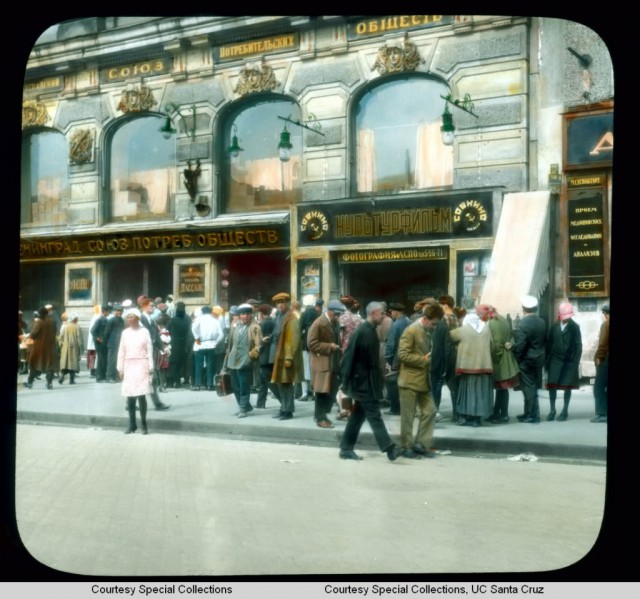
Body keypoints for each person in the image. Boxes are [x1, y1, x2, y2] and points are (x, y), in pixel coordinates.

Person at [338, 301, 402, 461]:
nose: (384, 316)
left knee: (357, 416)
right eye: (382, 313)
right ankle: (389, 449)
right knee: (374, 415)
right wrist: (345, 383)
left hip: (368, 382)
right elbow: (348, 359)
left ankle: (345, 449)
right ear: (374, 313)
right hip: (362, 384)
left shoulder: (370, 330)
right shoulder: (362, 332)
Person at [397, 301, 444, 458]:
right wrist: (423, 360)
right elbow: (402, 354)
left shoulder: (427, 330)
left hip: (423, 380)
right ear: (426, 318)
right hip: (409, 380)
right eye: (434, 323)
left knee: (430, 411)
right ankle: (406, 447)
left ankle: (421, 444)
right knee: (408, 416)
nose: (435, 326)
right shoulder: (411, 330)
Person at [450, 305, 495, 427]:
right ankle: (477, 419)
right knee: (481, 393)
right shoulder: (486, 328)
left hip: (467, 367)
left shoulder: (463, 330)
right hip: (484, 366)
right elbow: (492, 346)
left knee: (467, 394)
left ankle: (467, 417)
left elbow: (449, 337)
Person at [307, 299, 346, 428]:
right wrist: (329, 346)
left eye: (339, 314)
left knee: (333, 387)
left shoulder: (333, 321)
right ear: (329, 312)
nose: (338, 317)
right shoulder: (319, 323)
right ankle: (320, 418)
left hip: (332, 361)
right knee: (321, 391)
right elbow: (311, 344)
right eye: (336, 314)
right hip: (321, 362)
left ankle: (321, 415)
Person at [117, 308, 154, 435]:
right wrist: (120, 368)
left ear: (138, 318)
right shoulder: (125, 333)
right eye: (128, 317)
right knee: (130, 397)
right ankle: (132, 425)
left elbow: (149, 349)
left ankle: (144, 425)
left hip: (142, 365)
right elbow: (121, 351)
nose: (130, 320)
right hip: (129, 365)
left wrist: (150, 367)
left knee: (141, 396)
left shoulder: (144, 332)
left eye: (132, 317)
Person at [545, 302, 583, 421]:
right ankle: (552, 410)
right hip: (555, 361)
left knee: (567, 387)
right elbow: (548, 344)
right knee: (552, 386)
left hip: (569, 362)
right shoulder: (554, 326)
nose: (567, 319)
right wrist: (547, 362)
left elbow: (578, 346)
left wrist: (575, 362)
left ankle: (565, 411)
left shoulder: (575, 327)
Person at [223, 303, 262, 418]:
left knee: (244, 386)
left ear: (251, 315)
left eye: (247, 314)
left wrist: (250, 356)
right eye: (242, 314)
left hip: (246, 361)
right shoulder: (235, 325)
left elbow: (258, 345)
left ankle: (243, 409)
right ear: (239, 315)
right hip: (233, 360)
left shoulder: (255, 327)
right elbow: (230, 344)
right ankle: (245, 405)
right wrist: (226, 361)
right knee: (235, 386)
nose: (244, 316)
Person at [270, 292, 304, 421]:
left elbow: (294, 339)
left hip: (287, 355)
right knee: (280, 382)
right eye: (278, 303)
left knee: (286, 383)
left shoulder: (292, 317)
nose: (280, 305)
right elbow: (277, 333)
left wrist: (289, 357)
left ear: (288, 303)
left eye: (282, 302)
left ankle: (288, 411)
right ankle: (283, 408)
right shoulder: (279, 316)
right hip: (279, 353)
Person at [513, 295, 547, 424]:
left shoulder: (523, 324)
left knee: (528, 388)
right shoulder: (541, 321)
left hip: (527, 360)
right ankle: (528, 413)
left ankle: (532, 415)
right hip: (539, 358)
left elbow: (521, 345)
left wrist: (517, 359)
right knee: (533, 387)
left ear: (524, 309)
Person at [486, 305, 519, 424]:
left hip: (500, 359)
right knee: (501, 389)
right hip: (507, 356)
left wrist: (494, 358)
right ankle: (496, 413)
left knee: (502, 388)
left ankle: (503, 414)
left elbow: (497, 344)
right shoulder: (503, 319)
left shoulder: (493, 323)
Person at [430, 295, 460, 421]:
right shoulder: (456, 318)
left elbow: (443, 339)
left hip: (444, 353)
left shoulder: (445, 319)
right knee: (453, 385)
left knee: (437, 383)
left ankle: (435, 411)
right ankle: (456, 413)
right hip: (455, 353)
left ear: (446, 305)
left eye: (441, 305)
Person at [139, 297, 171, 410]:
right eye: (151, 305)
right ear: (144, 306)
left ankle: (131, 403)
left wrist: (163, 349)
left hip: (150, 352)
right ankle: (157, 403)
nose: (153, 307)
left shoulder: (150, 320)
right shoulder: (140, 319)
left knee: (150, 379)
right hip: (142, 355)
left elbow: (156, 337)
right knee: (150, 379)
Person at [383, 302, 411, 416]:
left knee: (392, 383)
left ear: (395, 312)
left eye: (392, 312)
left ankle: (395, 408)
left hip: (397, 358)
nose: (391, 315)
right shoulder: (408, 322)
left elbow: (391, 343)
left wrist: (388, 359)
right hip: (407, 357)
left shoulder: (396, 324)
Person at [23, 306, 59, 390]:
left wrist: (26, 337)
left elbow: (33, 334)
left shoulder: (39, 322)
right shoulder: (52, 321)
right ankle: (49, 384)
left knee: (34, 364)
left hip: (38, 347)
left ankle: (30, 383)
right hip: (50, 347)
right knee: (49, 366)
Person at [190, 305, 224, 392]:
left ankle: (198, 384)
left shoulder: (199, 319)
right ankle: (210, 385)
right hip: (211, 344)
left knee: (198, 365)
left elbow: (193, 328)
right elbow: (221, 335)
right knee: (210, 365)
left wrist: (197, 337)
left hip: (200, 344)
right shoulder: (215, 320)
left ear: (202, 312)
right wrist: (216, 342)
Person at [299, 295, 323, 402]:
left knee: (305, 368)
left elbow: (299, 328)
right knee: (315, 368)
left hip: (305, 343)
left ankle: (304, 393)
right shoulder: (319, 314)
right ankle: (314, 392)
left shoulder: (304, 314)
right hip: (317, 343)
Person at [256, 303, 280, 409]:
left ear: (261, 313)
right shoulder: (273, 322)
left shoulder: (263, 324)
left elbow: (260, 340)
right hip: (270, 354)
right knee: (263, 380)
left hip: (265, 355)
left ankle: (283, 400)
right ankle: (260, 403)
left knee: (268, 380)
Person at [591, 303, 609, 423]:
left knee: (598, 387)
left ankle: (602, 413)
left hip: (606, 360)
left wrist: (599, 358)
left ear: (605, 313)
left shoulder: (606, 324)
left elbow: (603, 343)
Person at [167, 301, 191, 388]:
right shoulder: (187, 321)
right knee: (180, 364)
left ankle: (170, 382)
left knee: (172, 364)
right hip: (183, 345)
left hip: (173, 344)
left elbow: (167, 330)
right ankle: (177, 382)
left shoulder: (172, 321)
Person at [58, 312, 84, 384]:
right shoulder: (77, 327)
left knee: (65, 363)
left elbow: (61, 337)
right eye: (77, 318)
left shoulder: (65, 326)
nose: (77, 319)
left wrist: (61, 346)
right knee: (73, 363)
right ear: (74, 319)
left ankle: (62, 376)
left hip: (65, 348)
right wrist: (81, 349)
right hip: (74, 348)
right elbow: (80, 339)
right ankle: (71, 380)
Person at [104, 305, 125, 384]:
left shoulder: (121, 320)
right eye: (118, 311)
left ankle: (116, 376)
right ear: (114, 311)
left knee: (117, 361)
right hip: (112, 344)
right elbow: (106, 333)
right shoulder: (111, 320)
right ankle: (109, 377)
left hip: (119, 343)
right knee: (111, 361)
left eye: (121, 311)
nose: (119, 312)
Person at [91, 304, 112, 382]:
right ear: (104, 312)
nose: (109, 312)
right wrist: (98, 338)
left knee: (104, 360)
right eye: (108, 311)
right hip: (99, 343)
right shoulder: (99, 320)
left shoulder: (106, 320)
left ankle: (103, 376)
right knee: (100, 360)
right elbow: (92, 331)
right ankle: (99, 377)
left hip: (104, 343)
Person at [86, 304, 101, 378]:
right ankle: (94, 371)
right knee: (95, 356)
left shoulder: (93, 318)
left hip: (92, 341)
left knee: (92, 356)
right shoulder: (98, 318)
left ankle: (92, 371)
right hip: (96, 340)